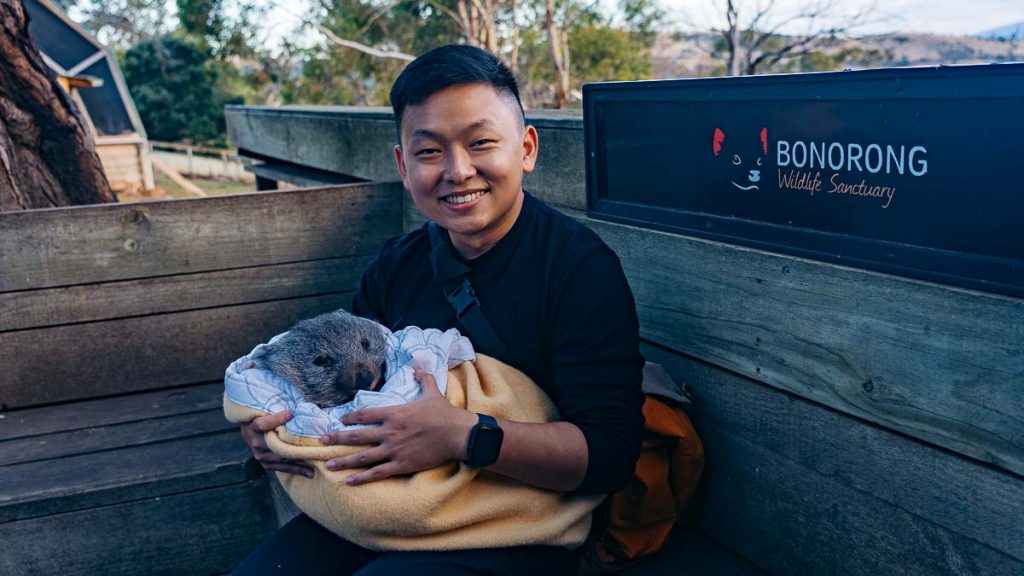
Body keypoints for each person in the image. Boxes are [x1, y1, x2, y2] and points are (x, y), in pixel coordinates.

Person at [232, 44, 645, 576]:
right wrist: (271, 429)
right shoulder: (397, 264)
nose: (458, 170)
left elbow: (609, 454)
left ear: (526, 148)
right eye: (429, 151)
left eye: (481, 143)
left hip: (517, 521)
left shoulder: (580, 271)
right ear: (404, 166)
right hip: (391, 503)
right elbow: (341, 391)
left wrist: (463, 434)